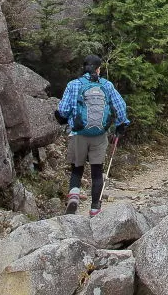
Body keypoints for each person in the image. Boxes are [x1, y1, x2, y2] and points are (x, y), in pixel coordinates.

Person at [54, 54, 129, 216]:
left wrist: (61, 118)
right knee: (97, 171)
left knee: (77, 168)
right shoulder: (107, 85)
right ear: (98, 69)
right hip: (100, 135)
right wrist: (121, 125)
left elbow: (63, 111)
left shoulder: (73, 85)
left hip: (78, 133)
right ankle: (95, 208)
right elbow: (120, 106)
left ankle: (74, 195)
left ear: (84, 68)